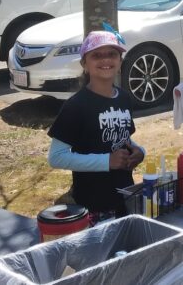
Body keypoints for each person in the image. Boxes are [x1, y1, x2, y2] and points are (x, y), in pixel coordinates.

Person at [47, 30, 145, 223]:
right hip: (92, 206)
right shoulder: (76, 105)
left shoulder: (124, 98)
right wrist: (106, 161)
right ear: (84, 64)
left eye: (112, 54)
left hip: (125, 199)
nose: (105, 60)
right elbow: (56, 157)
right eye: (97, 55)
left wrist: (140, 152)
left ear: (120, 62)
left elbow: (122, 138)